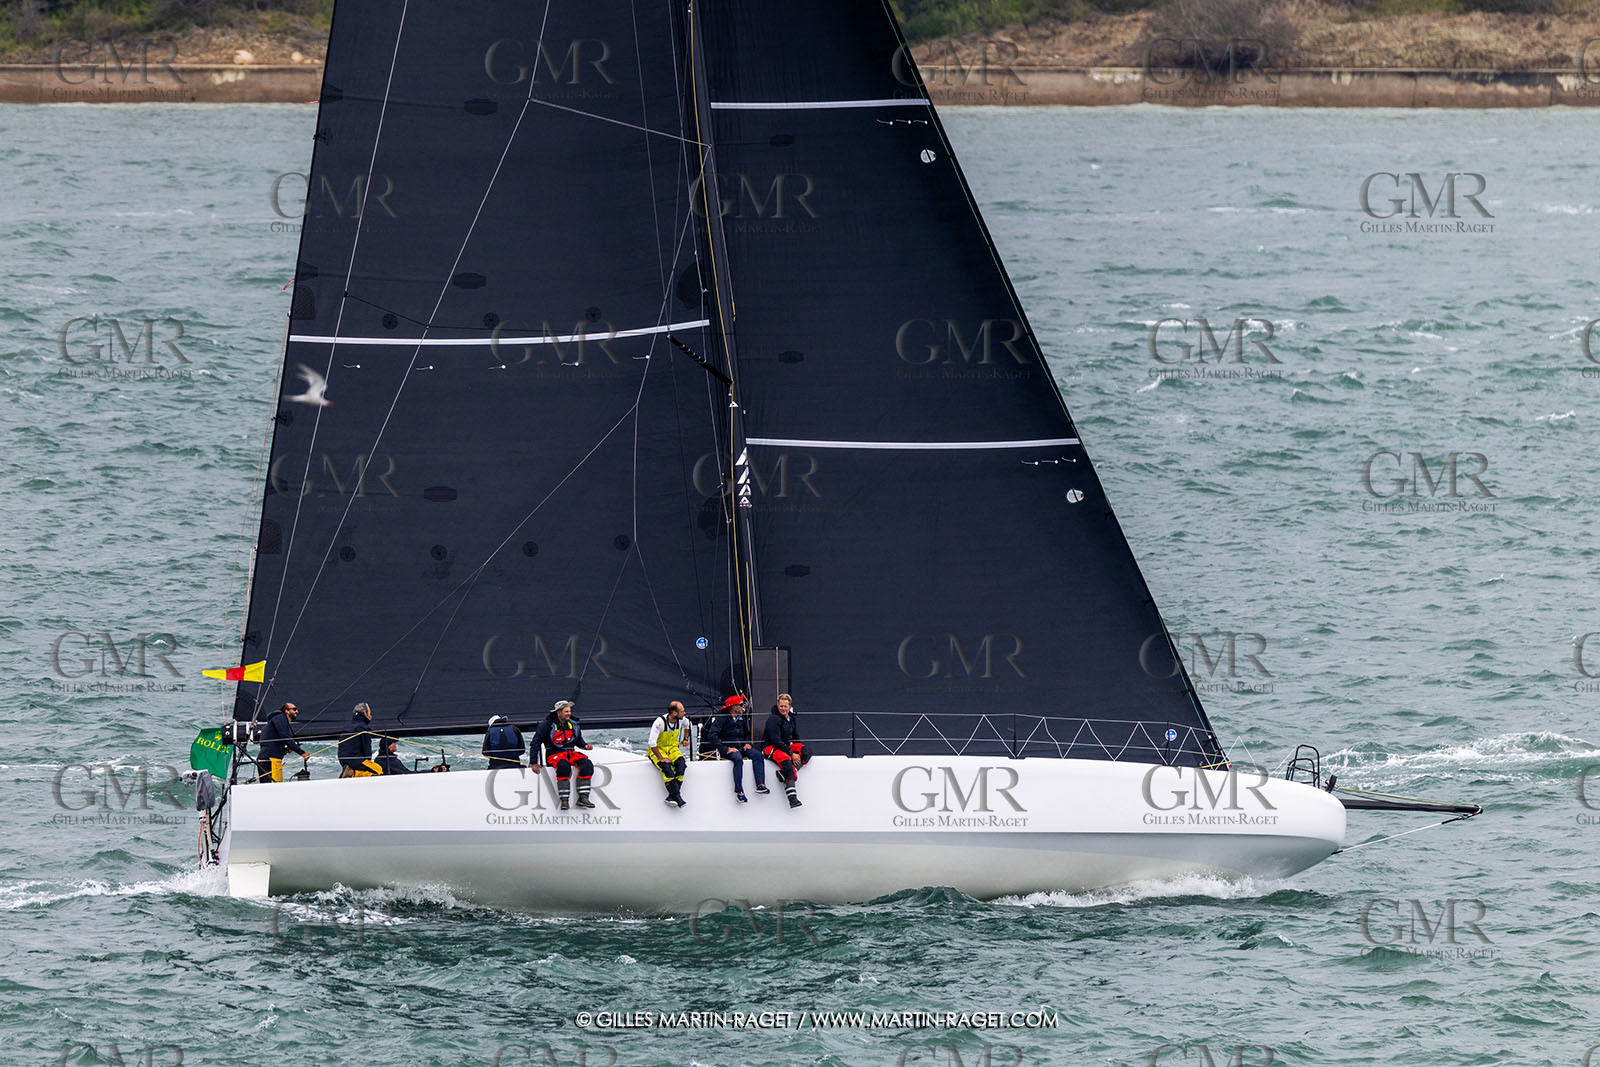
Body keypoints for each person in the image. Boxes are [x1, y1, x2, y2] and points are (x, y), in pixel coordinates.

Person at [532, 700, 595, 810]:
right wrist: (533, 763)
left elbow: (579, 742)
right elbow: (535, 743)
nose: (569, 714)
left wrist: (585, 746)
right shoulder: (546, 725)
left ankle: (583, 798)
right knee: (563, 766)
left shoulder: (573, 724)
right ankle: (564, 801)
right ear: (559, 712)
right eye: (566, 711)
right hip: (554, 754)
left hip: (570, 752)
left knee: (587, 764)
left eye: (570, 711)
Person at [707, 694, 766, 803]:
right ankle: (739, 791)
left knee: (758, 755)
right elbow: (712, 735)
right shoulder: (722, 719)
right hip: (728, 749)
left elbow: (748, 733)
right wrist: (725, 748)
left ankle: (760, 784)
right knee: (738, 759)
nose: (743, 707)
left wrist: (748, 743)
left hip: (741, 747)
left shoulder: (742, 718)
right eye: (741, 705)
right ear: (733, 707)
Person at [762, 694, 808, 808]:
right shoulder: (773, 719)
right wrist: (791, 754)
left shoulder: (791, 719)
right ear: (778, 705)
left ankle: (784, 774)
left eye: (785, 706)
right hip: (771, 747)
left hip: (785, 747)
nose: (783, 708)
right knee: (787, 761)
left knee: (806, 751)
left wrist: (797, 751)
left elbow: (796, 738)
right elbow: (775, 740)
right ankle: (792, 798)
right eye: (781, 706)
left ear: (790, 706)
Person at [648, 700, 692, 808]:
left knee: (681, 765)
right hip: (658, 750)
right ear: (674, 713)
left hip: (672, 748)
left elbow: (688, 725)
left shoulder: (681, 720)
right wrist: (661, 758)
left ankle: (672, 796)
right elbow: (651, 742)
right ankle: (677, 797)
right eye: (682, 711)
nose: (684, 713)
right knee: (666, 768)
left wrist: (685, 738)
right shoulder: (660, 722)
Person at [256, 700, 308, 783]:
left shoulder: (276, 721)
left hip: (267, 759)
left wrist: (285, 751)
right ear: (286, 711)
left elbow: (271, 742)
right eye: (294, 709)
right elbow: (285, 737)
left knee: (270, 788)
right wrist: (302, 753)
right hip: (270, 760)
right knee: (273, 788)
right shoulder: (280, 718)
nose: (297, 711)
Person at [337, 702, 384, 778]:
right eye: (370, 713)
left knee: (369, 768)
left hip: (343, 760)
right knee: (378, 770)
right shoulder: (363, 728)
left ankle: (351, 771)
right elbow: (367, 749)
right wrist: (368, 761)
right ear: (365, 714)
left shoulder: (348, 726)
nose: (371, 716)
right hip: (355, 760)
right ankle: (353, 774)